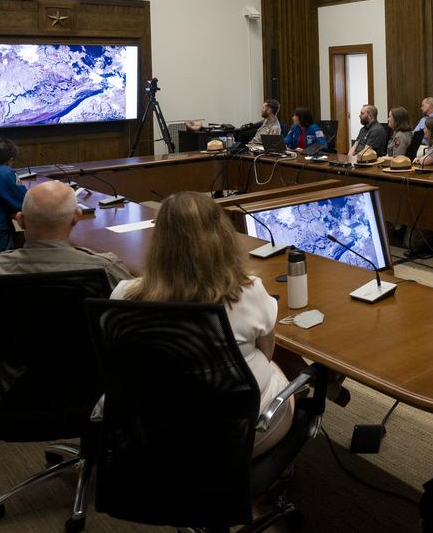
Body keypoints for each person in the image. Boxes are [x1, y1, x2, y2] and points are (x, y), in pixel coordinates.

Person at [111, 192, 296, 453]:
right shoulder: (250, 292)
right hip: (233, 434)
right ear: (222, 237)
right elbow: (266, 354)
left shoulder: (122, 296)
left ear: (159, 241)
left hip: (151, 432)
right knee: (282, 375)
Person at [0, 181, 131, 349]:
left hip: (21, 373)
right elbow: (134, 329)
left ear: (21, 220)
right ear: (76, 217)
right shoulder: (106, 269)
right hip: (94, 371)